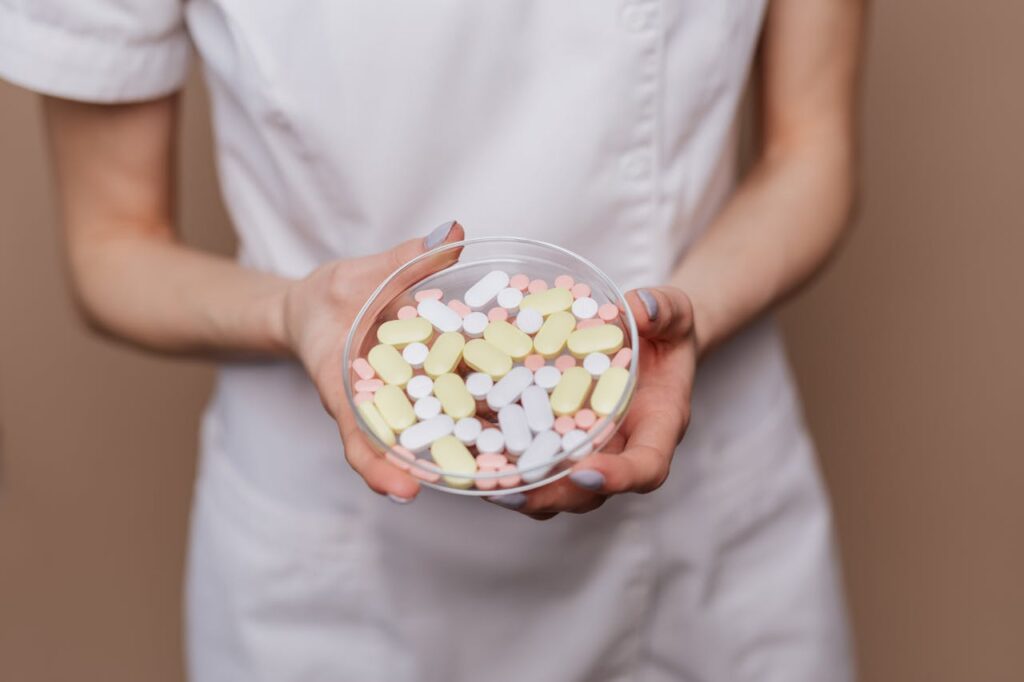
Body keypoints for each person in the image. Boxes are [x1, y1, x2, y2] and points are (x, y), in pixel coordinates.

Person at [0, 1, 865, 679]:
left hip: (704, 521)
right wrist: (295, 312)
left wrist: (674, 319)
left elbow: (811, 150)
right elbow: (111, 248)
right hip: (338, 546)